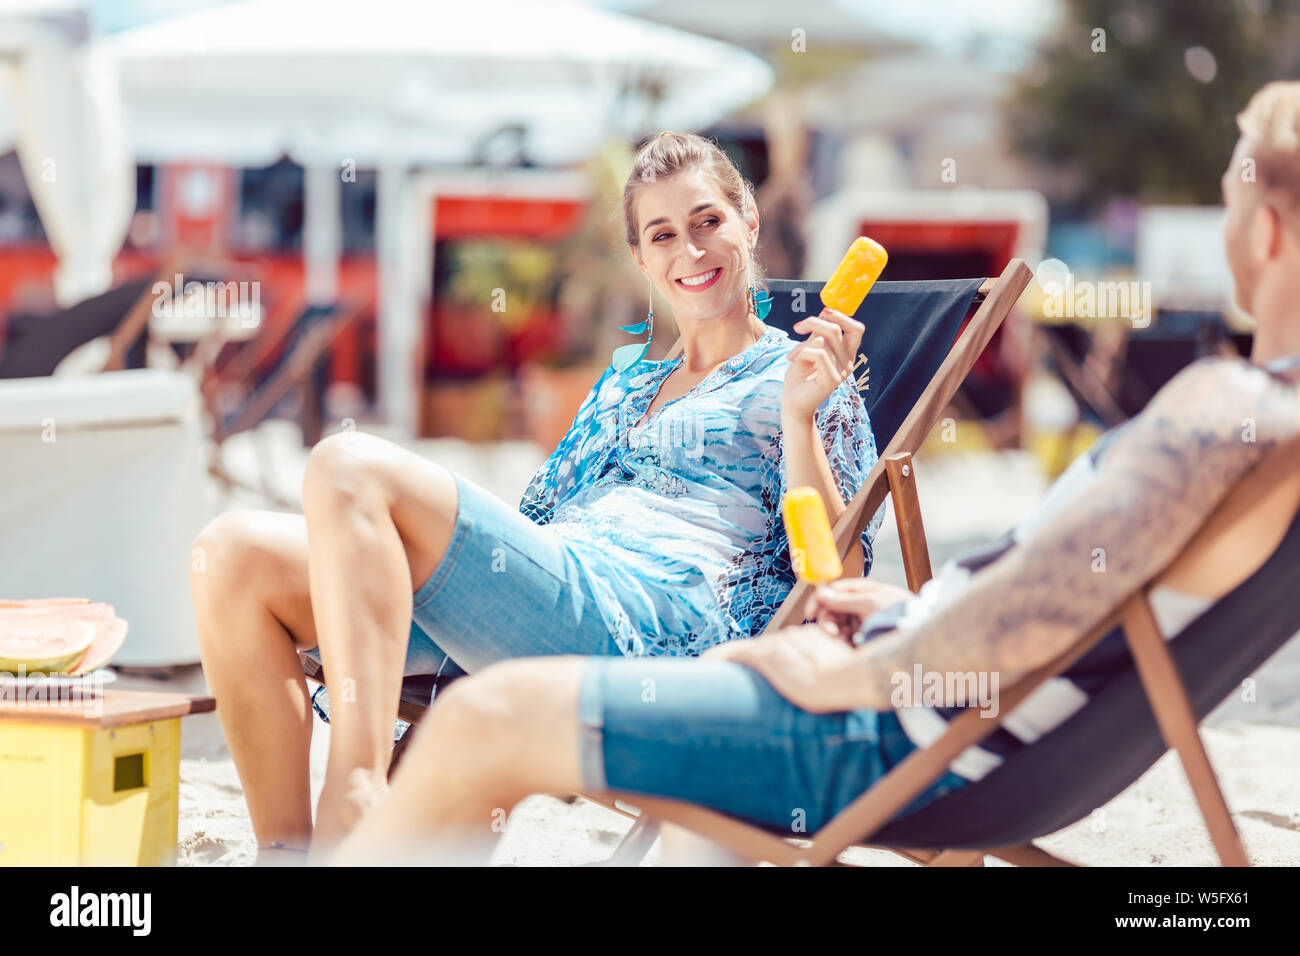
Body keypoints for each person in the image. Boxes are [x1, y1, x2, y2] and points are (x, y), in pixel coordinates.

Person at [325, 81, 1300, 866]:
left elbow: (1035, 612)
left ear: (1263, 234)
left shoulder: (1227, 406)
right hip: (960, 720)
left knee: (491, 713)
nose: (1221, 234)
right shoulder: (1268, 423)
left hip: (894, 731)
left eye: (1226, 206)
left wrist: (856, 669)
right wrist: (894, 613)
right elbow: (1064, 602)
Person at [189, 131, 881, 860]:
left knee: (347, 465)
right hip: (551, 595)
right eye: (664, 234)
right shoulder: (624, 385)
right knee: (231, 554)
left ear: (750, 222)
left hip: (648, 625)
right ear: (642, 259)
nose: (692, 250)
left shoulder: (800, 375)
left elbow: (837, 579)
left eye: (710, 221)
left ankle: (357, 793)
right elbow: (535, 526)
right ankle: (288, 854)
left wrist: (803, 415)